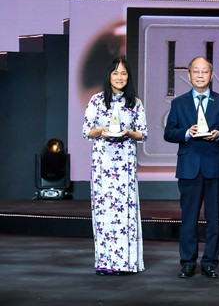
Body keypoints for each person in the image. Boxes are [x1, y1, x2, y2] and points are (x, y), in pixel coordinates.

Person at [164, 56, 219, 279]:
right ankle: (187, 262)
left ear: (211, 75)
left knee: (214, 219)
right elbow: (169, 133)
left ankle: (210, 263)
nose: (200, 75)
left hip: (215, 167)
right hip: (189, 167)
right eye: (196, 71)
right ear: (189, 75)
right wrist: (187, 132)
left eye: (204, 72)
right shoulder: (178, 103)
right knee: (189, 218)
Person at [82, 57, 147, 275]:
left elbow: (143, 134)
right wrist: (100, 131)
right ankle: (105, 262)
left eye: (124, 73)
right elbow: (86, 131)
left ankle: (126, 263)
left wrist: (129, 133)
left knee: (124, 213)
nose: (120, 77)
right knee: (104, 213)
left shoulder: (135, 103)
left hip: (125, 166)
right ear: (109, 76)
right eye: (115, 73)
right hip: (103, 165)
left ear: (129, 77)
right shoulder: (96, 100)